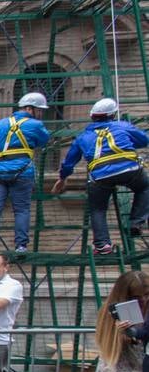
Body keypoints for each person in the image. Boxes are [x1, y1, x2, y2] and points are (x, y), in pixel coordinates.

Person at [53, 98, 149, 257]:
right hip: (129, 169)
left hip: (100, 176)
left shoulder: (82, 136)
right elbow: (144, 140)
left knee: (98, 209)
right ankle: (136, 223)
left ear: (92, 117)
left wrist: (63, 178)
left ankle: (102, 245)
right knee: (145, 187)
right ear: (112, 115)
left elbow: (69, 162)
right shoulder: (123, 126)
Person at [0, 93, 52, 254]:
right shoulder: (35, 125)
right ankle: (21, 246)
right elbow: (44, 140)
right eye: (39, 110)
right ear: (30, 109)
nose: (41, 114)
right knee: (22, 209)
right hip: (23, 171)